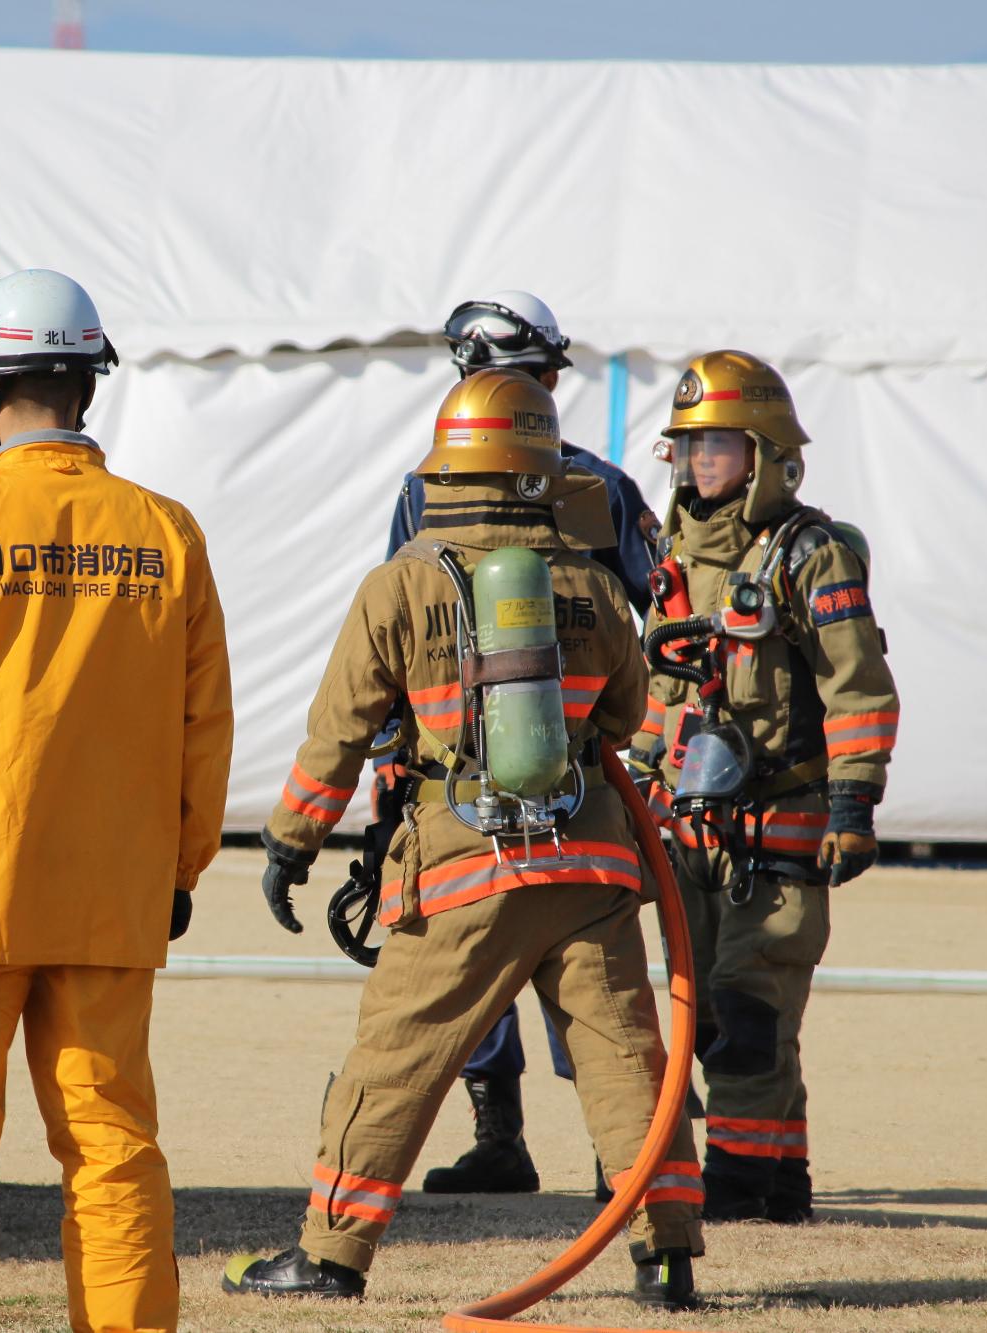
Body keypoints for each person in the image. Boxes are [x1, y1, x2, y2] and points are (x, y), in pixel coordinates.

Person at [225, 369, 704, 1309]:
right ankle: (668, 1254)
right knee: (627, 1061)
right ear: (539, 467)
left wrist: (291, 843)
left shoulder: (402, 584)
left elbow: (339, 733)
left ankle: (329, 1256)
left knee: (396, 1059)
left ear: (448, 466)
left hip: (463, 864)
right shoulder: (592, 583)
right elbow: (625, 713)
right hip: (591, 861)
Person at [0, 269, 234, 1333]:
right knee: (109, 1144)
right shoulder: (166, 535)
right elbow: (204, 728)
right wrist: (179, 868)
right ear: (86, 387)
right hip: (111, 894)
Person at [390, 292, 659, 1195]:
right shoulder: (598, 487)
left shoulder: (435, 489)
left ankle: (540, 1140)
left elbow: (400, 627)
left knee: (494, 958)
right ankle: (589, 1152)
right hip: (576, 771)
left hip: (486, 779)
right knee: (588, 968)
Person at [636, 350, 899, 1224]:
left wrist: (854, 803)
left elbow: (856, 685)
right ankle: (784, 1180)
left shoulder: (811, 555)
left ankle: (741, 1185)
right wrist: (638, 789)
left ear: (768, 455)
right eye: (686, 447)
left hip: (782, 825)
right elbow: (659, 698)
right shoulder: (671, 552)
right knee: (717, 1017)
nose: (696, 463)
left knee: (752, 1009)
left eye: (715, 445)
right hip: (691, 830)